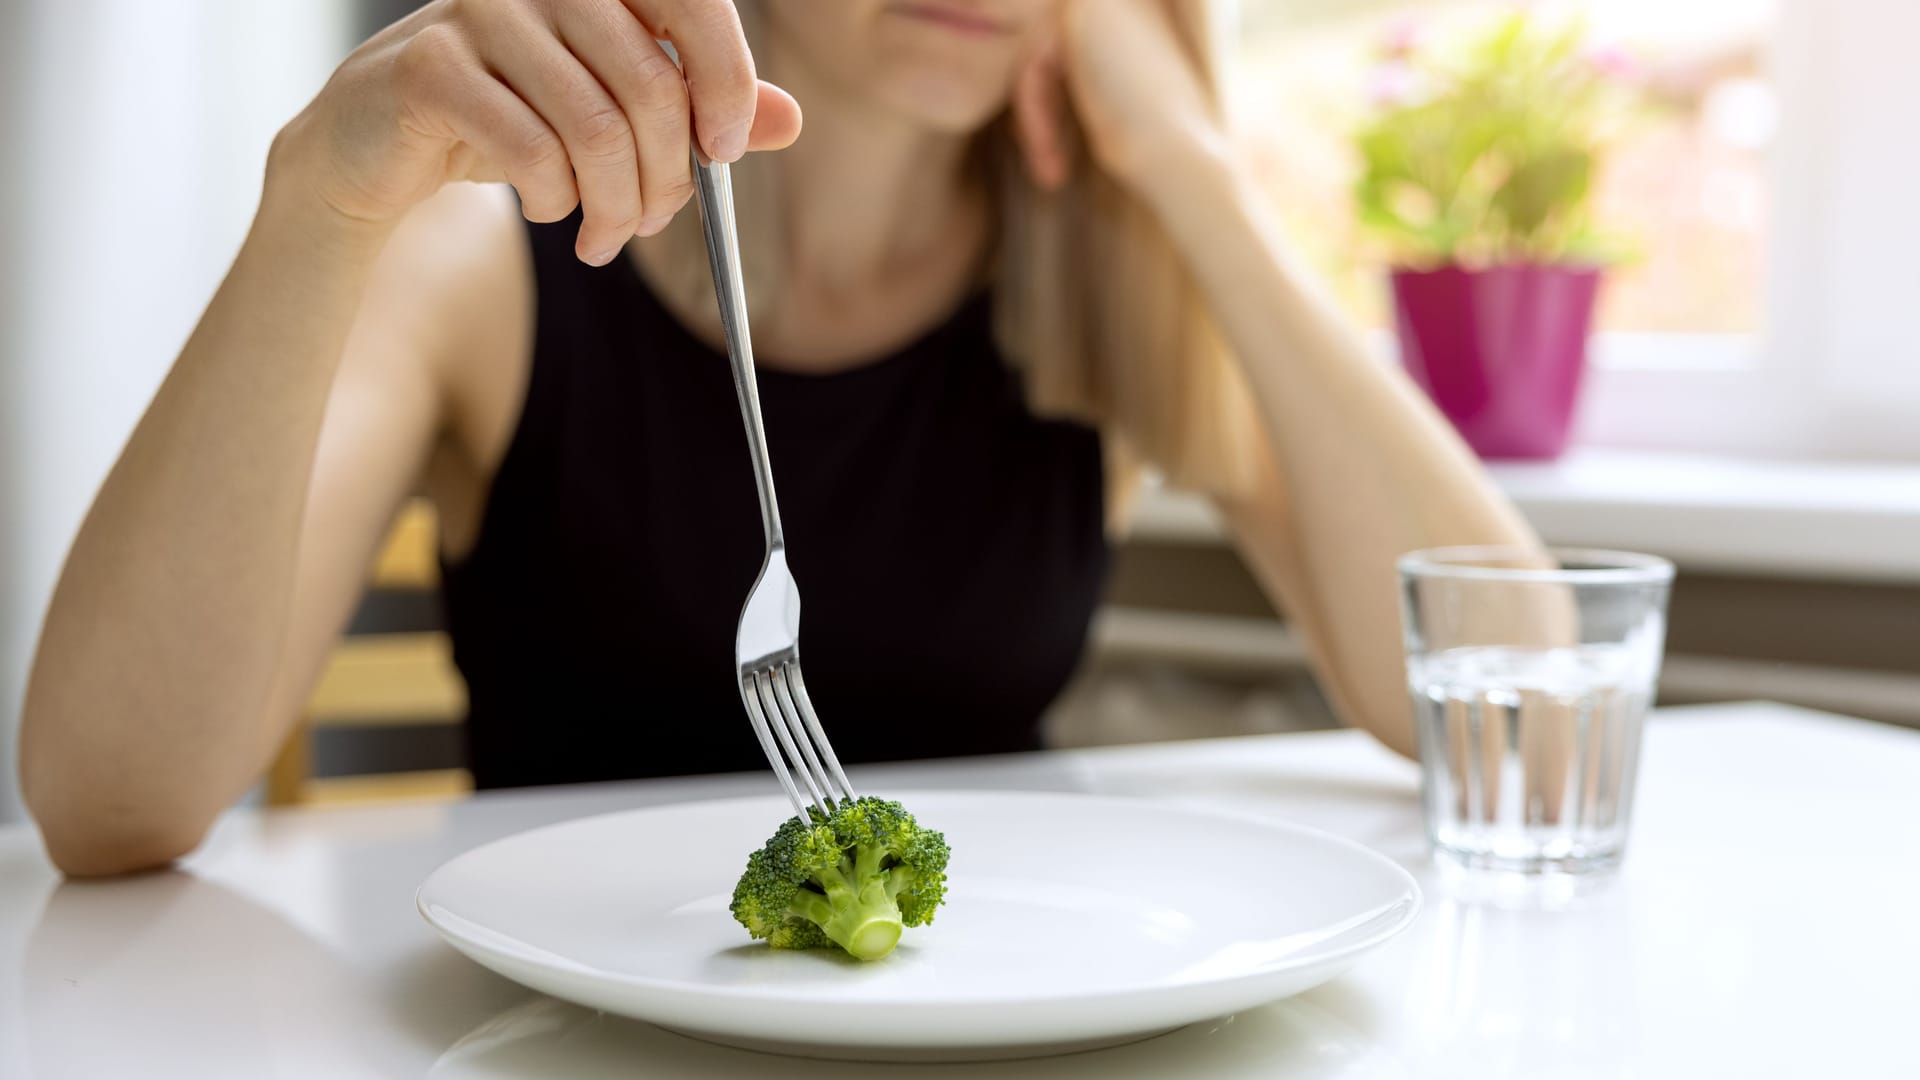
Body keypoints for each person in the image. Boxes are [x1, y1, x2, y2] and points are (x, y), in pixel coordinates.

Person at [20, 0, 1535, 876]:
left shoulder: (1101, 292)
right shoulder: (491, 269)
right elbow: (107, 803)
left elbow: (1518, 710)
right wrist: (322, 200)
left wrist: (1194, 172)